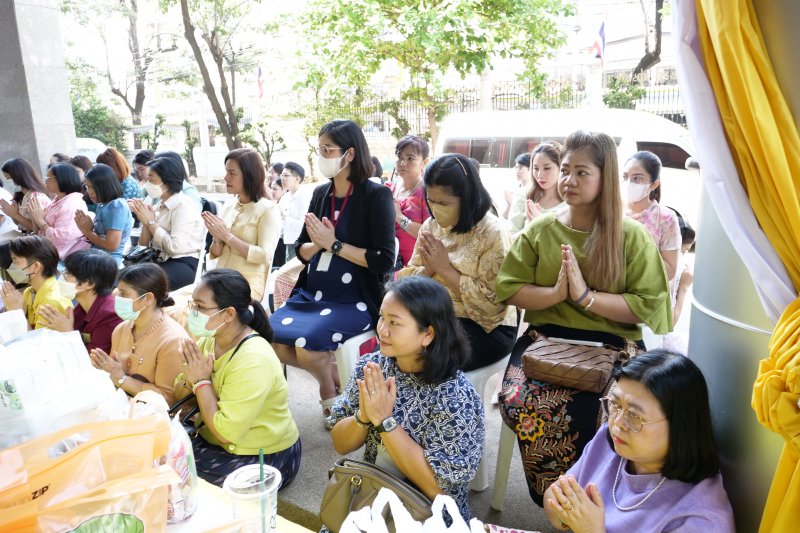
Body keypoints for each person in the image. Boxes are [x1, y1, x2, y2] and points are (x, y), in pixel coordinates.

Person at [494, 130, 672, 506]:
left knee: (616, 409)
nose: (568, 180)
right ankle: (561, 501)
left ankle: (601, 499)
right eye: (565, 170)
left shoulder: (632, 236)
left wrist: (587, 299)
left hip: (615, 343)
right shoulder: (542, 228)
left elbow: (647, 304)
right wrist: (556, 295)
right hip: (544, 340)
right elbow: (509, 289)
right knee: (524, 400)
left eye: (582, 172)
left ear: (605, 178)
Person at [327, 276, 484, 524]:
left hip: (427, 518)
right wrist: (363, 417)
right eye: (382, 317)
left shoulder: (454, 395)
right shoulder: (372, 367)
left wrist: (384, 421)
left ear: (428, 334)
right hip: (373, 499)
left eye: (395, 323)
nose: (382, 330)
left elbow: (440, 490)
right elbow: (340, 444)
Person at [269, 119, 395, 424]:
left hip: (354, 298)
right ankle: (335, 375)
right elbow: (301, 248)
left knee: (308, 348)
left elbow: (384, 259)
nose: (322, 155)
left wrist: (335, 244)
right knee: (269, 336)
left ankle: (329, 389)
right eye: (320, 148)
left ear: (349, 154)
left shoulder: (375, 196)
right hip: (312, 293)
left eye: (328, 149)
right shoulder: (322, 194)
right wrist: (318, 244)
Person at [543, 351, 734, 533]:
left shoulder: (700, 518)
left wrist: (590, 529)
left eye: (634, 415)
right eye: (616, 405)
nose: (617, 423)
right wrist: (568, 517)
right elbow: (553, 500)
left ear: (680, 424)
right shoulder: (610, 442)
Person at [173, 269, 301, 488]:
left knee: (178, 477)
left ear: (229, 314)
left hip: (265, 455)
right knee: (161, 458)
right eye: (193, 305)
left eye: (200, 307)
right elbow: (179, 394)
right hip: (215, 436)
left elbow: (225, 433)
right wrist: (193, 381)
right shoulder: (211, 339)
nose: (193, 312)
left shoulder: (253, 358)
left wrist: (201, 383)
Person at [397, 153, 517, 372]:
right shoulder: (431, 226)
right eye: (431, 201)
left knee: (424, 360)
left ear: (468, 196)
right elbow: (408, 282)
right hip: (436, 316)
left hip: (485, 327)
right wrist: (428, 269)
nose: (436, 209)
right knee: (391, 348)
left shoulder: (492, 232)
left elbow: (492, 306)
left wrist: (444, 269)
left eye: (444, 203)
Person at [88, 263, 187, 404]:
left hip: (155, 417)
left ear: (148, 299)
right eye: (117, 291)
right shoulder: (122, 329)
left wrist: (121, 379)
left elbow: (168, 399)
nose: (116, 296)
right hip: (120, 406)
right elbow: (112, 379)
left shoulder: (172, 340)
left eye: (124, 293)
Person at [202, 148, 281, 302]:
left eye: (232, 173)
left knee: (202, 312)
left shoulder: (268, 209)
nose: (226, 178)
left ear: (249, 175)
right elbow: (216, 253)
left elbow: (264, 256)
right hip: (220, 278)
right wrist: (217, 238)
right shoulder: (228, 206)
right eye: (226, 172)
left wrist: (227, 236)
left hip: (248, 282)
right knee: (179, 308)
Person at [128, 157, 204, 290]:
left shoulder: (183, 205)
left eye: (151, 180)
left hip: (183, 263)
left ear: (167, 182)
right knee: (122, 279)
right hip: (159, 259)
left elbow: (175, 247)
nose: (147, 184)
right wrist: (146, 222)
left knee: (136, 287)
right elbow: (143, 245)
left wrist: (151, 222)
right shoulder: (160, 205)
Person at [36, 249, 122, 353]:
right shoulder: (83, 305)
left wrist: (67, 333)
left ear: (89, 284)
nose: (62, 278)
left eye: (67, 274)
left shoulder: (109, 316)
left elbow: (96, 363)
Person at [623, 151, 680, 282]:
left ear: (654, 184)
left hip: (643, 293)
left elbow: (670, 271)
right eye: (625, 177)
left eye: (637, 178)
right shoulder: (612, 209)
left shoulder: (666, 218)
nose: (629, 183)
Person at [0, 236, 71, 330]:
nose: (11, 267)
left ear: (36, 266)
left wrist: (17, 311)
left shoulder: (51, 302)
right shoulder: (30, 291)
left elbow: (38, 343)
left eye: (15, 261)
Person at [75, 164, 134, 267]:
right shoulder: (103, 205)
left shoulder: (116, 205)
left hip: (107, 262)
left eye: (93, 187)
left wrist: (88, 231)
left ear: (106, 185)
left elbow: (111, 245)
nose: (89, 191)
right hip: (96, 257)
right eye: (87, 187)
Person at [29, 163, 88, 260]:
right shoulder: (58, 199)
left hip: (59, 258)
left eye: (48, 177)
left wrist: (39, 220)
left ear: (61, 178)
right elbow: (39, 231)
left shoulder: (72, 203)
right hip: (46, 251)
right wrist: (35, 217)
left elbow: (61, 238)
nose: (45, 181)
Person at [388, 136, 431, 267]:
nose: (402, 163)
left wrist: (399, 218)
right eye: (400, 157)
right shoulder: (387, 190)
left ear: (424, 162)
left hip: (416, 267)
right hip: (387, 263)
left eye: (410, 158)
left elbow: (430, 234)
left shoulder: (428, 193)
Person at [508, 142, 566, 237]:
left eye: (547, 168)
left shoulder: (570, 201)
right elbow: (510, 239)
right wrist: (534, 226)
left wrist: (542, 224)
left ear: (561, 168)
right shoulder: (523, 195)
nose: (539, 175)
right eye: (536, 168)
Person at [0, 158, 51, 232]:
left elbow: (38, 227)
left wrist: (15, 215)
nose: (7, 182)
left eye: (8, 178)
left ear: (17, 176)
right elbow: (20, 224)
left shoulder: (35, 196)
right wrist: (13, 214)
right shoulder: (21, 195)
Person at [279, 162, 309, 263]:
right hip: (287, 242)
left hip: (299, 244)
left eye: (285, 176)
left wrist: (283, 217)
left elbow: (303, 225)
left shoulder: (304, 197)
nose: (282, 179)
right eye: (281, 175)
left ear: (297, 178)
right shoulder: (285, 197)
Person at [502, 152, 532, 221]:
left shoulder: (533, 191)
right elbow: (505, 216)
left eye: (521, 168)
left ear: (531, 168)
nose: (517, 171)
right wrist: (510, 205)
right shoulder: (514, 190)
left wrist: (515, 204)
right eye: (516, 168)